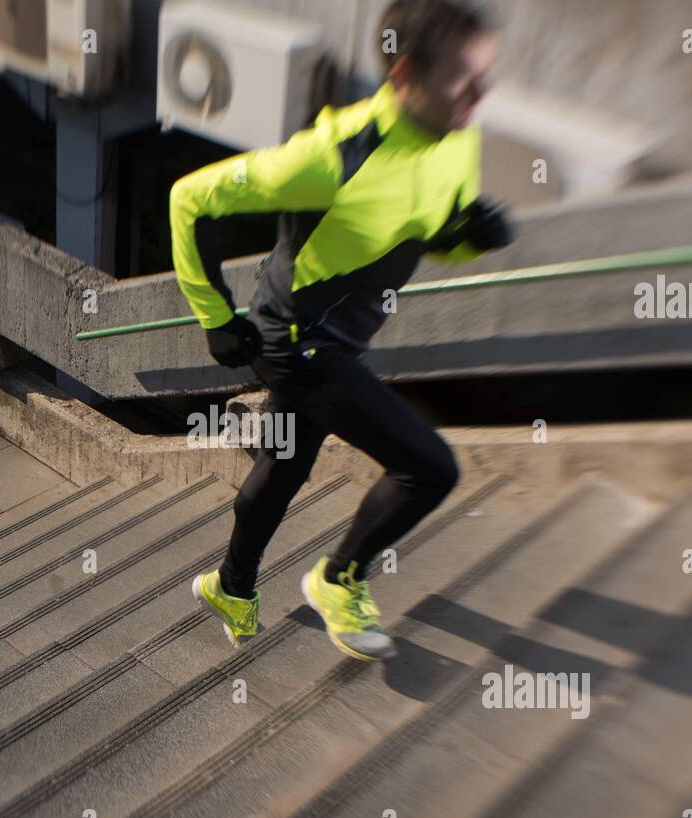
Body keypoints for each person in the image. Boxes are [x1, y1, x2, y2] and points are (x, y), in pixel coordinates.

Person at [171, 0, 513, 661]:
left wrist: (465, 239)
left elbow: (421, 226)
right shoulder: (332, 154)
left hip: (345, 337)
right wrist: (214, 316)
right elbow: (189, 199)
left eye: (486, 75)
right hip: (298, 343)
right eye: (465, 77)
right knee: (429, 468)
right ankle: (338, 578)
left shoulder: (459, 134)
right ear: (406, 74)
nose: (481, 92)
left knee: (285, 463)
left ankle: (230, 585)